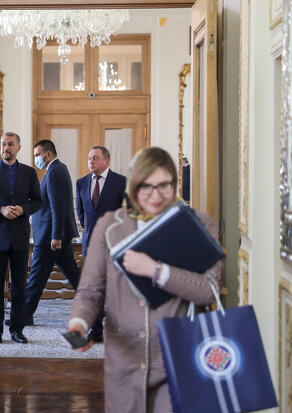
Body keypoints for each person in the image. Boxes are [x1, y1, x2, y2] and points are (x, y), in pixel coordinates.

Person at [68, 147, 223, 413]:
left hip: (178, 359)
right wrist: (79, 322)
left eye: (163, 185)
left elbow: (209, 290)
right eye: (145, 186)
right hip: (124, 362)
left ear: (174, 184)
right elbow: (90, 290)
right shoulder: (110, 228)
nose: (154, 195)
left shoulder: (199, 224)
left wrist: (156, 270)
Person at [0, 132, 42, 344]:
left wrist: (23, 209)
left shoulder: (29, 173)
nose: (6, 148)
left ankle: (17, 329)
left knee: (20, 285)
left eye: (10, 144)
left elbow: (38, 201)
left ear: (18, 148)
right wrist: (0, 210)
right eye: (3, 144)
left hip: (20, 237)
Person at [24, 139, 81, 327]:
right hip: (54, 233)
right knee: (72, 274)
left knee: (36, 276)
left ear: (48, 154)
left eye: (38, 155)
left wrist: (56, 235)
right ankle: (96, 307)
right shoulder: (57, 169)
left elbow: (58, 206)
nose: (36, 159)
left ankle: (24, 316)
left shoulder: (55, 171)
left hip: (50, 235)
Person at [74, 146, 126, 342]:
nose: (91, 162)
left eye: (95, 158)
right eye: (89, 158)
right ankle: (96, 330)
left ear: (107, 161)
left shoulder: (121, 182)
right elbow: (81, 213)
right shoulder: (81, 182)